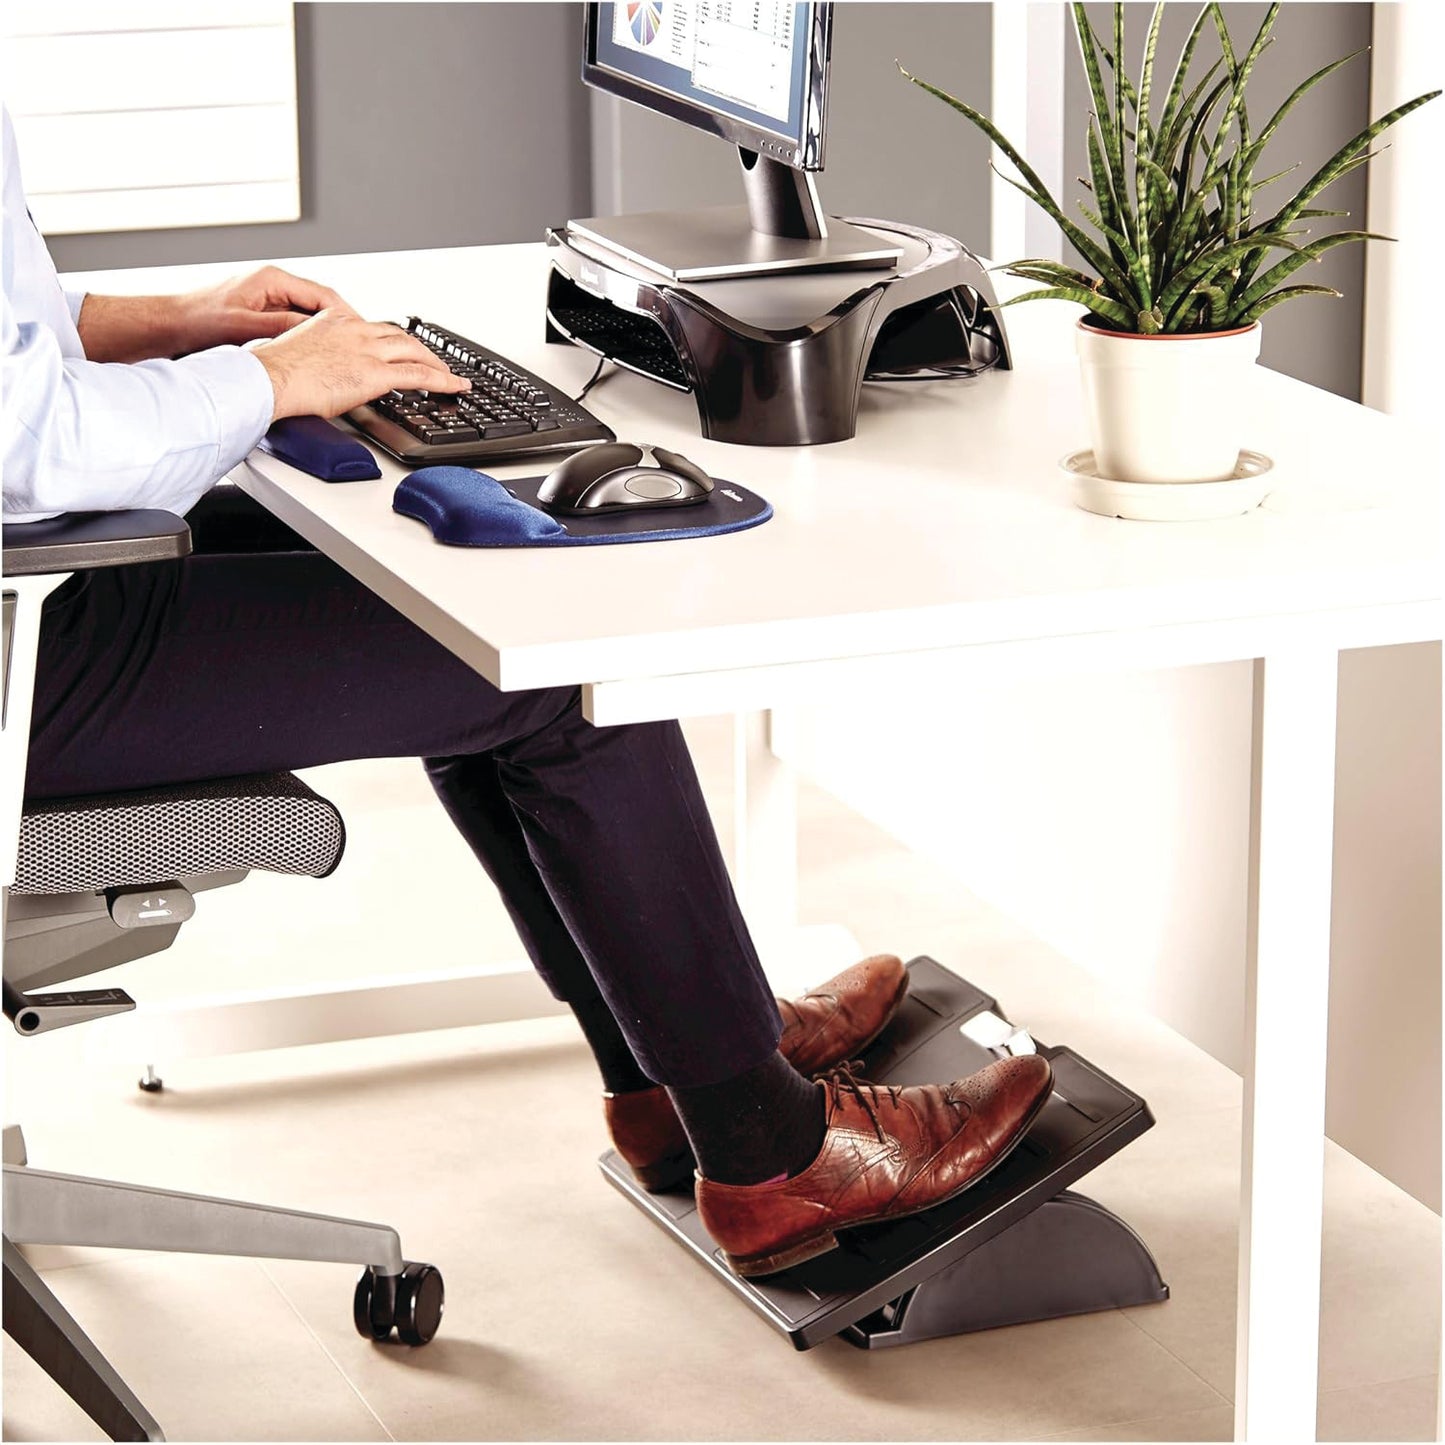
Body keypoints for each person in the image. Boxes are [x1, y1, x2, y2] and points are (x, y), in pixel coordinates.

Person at [1, 106, 1051, 1278]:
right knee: (555, 668)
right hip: (25, 640)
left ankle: (677, 1071)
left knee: (454, 584)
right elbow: (27, 433)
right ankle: (769, 1148)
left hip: (30, 585)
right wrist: (266, 376)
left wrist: (176, 326)